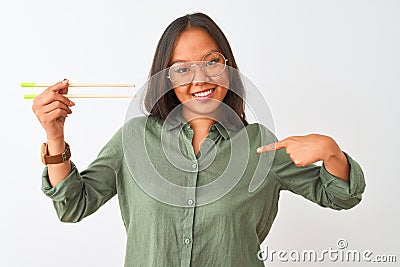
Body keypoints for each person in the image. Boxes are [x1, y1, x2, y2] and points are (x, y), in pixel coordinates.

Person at [32, 12, 366, 267]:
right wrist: (55, 136)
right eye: (182, 68)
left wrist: (330, 151)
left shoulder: (260, 146)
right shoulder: (134, 138)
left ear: (228, 67)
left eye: (211, 62)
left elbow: (339, 196)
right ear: (165, 78)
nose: (200, 78)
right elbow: (74, 205)